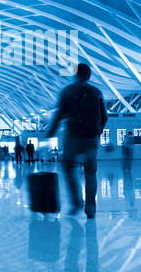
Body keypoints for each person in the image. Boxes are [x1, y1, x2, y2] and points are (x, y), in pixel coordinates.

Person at [46, 62, 108, 219]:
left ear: (75, 74)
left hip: (73, 138)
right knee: (90, 173)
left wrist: (50, 132)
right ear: (89, 75)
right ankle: (91, 208)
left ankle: (76, 202)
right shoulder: (97, 92)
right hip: (91, 139)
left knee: (68, 167)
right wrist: (97, 132)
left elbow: (59, 114)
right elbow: (104, 117)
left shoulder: (68, 91)